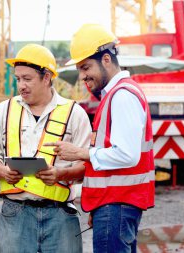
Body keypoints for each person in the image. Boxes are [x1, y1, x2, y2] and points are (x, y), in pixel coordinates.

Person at [45, 24, 155, 253]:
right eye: (80, 68)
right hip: (115, 204)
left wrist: (79, 153)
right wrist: (98, 206)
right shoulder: (117, 94)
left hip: (117, 204)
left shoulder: (122, 96)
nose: (82, 75)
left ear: (106, 59)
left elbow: (127, 154)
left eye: (86, 67)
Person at [0, 43, 91, 253]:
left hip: (60, 215)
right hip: (15, 213)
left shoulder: (74, 114)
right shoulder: (4, 111)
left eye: (27, 79)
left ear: (47, 77)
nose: (21, 85)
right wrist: (3, 171)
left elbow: (87, 166)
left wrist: (61, 173)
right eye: (18, 79)